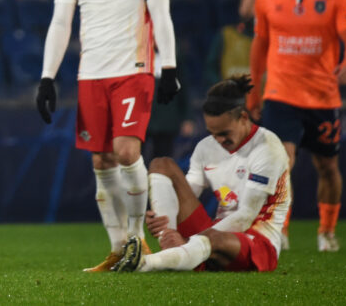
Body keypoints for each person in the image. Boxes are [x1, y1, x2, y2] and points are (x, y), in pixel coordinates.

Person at [34, 0, 181, 272]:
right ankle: (118, 249)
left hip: (134, 68)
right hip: (91, 73)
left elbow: (160, 10)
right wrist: (48, 76)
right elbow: (61, 22)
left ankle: (137, 242)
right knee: (101, 162)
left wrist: (168, 65)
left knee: (127, 151)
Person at [247, 0, 346, 252]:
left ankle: (326, 231)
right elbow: (260, 45)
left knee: (327, 167)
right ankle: (279, 229)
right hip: (281, 94)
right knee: (281, 162)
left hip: (323, 97)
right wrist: (254, 92)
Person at [112, 75, 291, 273]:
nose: (218, 140)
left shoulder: (267, 148)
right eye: (212, 133)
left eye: (224, 133)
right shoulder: (206, 147)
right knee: (161, 164)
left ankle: (145, 263)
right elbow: (189, 191)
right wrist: (162, 218)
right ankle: (171, 247)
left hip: (257, 243)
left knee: (212, 238)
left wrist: (190, 241)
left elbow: (246, 216)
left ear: (243, 118)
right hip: (211, 234)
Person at [203, 0, 254, 89]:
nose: (249, 10)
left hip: (260, 98)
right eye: (247, 5)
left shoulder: (269, 37)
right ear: (239, 8)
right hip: (232, 98)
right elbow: (210, 68)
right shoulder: (225, 35)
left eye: (253, 5)